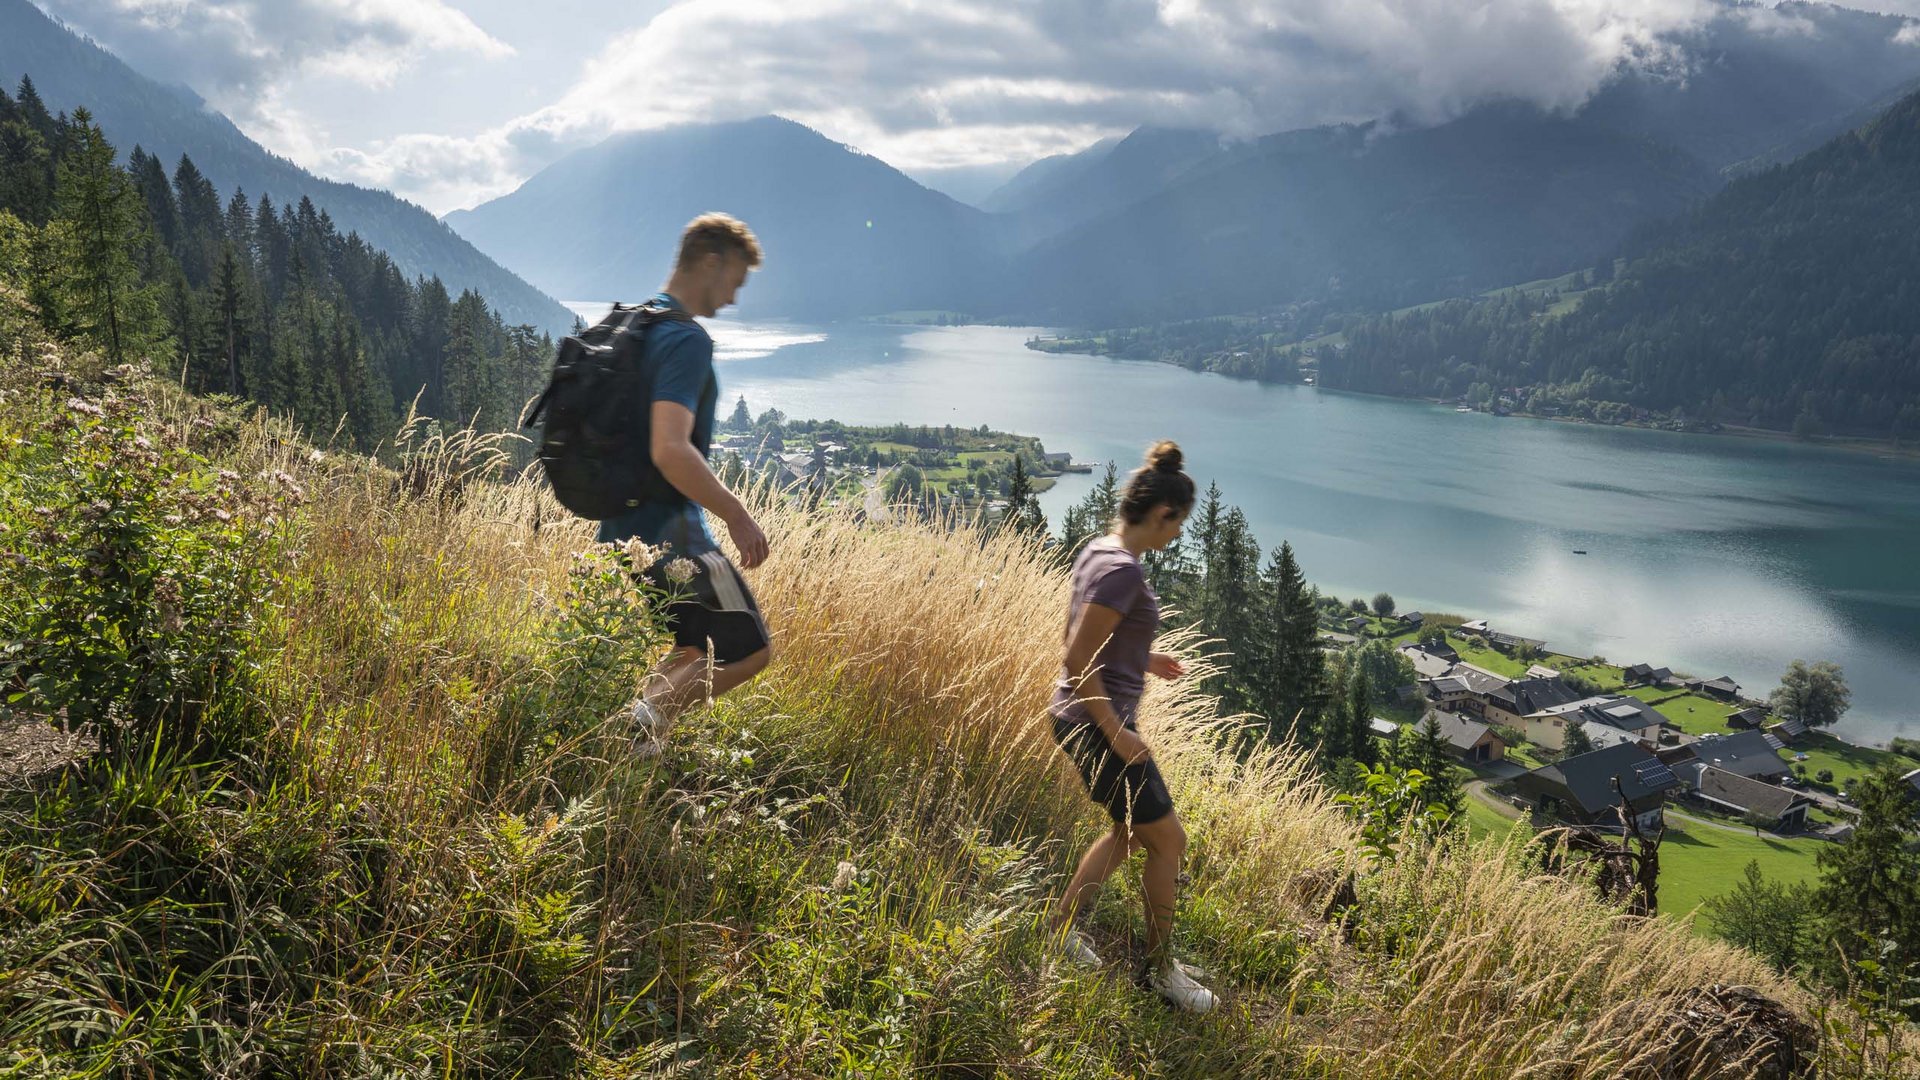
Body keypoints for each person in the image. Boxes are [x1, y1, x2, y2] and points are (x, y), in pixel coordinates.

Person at [1045, 440, 1215, 1013]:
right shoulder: (1122, 571)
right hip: (1097, 726)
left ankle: (1062, 927)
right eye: (1178, 525)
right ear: (1162, 513)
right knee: (1168, 841)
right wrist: (1117, 731)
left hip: (1075, 719)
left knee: (1127, 832)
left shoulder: (1103, 550)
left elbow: (1099, 638)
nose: (1176, 535)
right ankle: (1160, 973)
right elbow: (1076, 655)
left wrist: (1145, 658)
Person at [598, 213, 773, 756]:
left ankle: (634, 753)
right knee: (750, 649)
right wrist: (736, 513)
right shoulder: (686, 340)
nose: (734, 298)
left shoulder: (638, 323)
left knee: (692, 648)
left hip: (622, 529)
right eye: (735, 281)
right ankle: (636, 728)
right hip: (673, 532)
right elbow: (670, 448)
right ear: (711, 261)